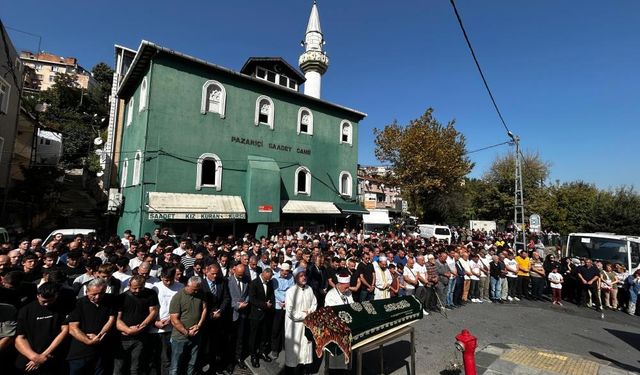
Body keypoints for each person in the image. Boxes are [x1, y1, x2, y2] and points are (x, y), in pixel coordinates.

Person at [14, 282, 69, 374]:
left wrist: (44, 355)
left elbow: (64, 331)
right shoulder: (25, 311)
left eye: (50, 301)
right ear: (38, 295)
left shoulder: (61, 308)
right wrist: (35, 357)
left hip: (53, 357)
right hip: (29, 358)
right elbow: (19, 338)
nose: (47, 304)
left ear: (56, 296)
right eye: (43, 301)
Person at [66, 278, 116, 375]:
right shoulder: (78, 304)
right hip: (80, 353)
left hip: (101, 352)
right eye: (93, 294)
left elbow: (111, 319)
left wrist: (99, 335)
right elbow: (72, 328)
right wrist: (88, 341)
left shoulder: (109, 300)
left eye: (101, 293)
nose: (97, 297)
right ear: (87, 291)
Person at [114, 275, 159, 375]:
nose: (137, 290)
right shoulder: (122, 298)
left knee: (136, 367)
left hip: (141, 337)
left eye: (140, 287)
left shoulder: (150, 294)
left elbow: (153, 311)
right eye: (134, 288)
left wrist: (141, 326)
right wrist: (128, 330)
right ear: (129, 285)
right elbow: (117, 319)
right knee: (119, 367)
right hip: (123, 338)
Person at [169, 276, 207, 375]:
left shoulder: (200, 293)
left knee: (192, 363)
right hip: (180, 337)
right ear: (187, 285)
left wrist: (198, 325)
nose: (195, 292)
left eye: (197, 290)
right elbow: (174, 319)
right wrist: (187, 332)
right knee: (175, 366)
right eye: (193, 289)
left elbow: (204, 309)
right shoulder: (178, 297)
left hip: (196, 335)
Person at [284, 269, 317, 375]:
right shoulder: (290, 292)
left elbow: (314, 304)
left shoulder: (309, 289)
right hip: (295, 328)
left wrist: (310, 312)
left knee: (305, 352)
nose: (304, 278)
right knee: (294, 354)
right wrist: (306, 315)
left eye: (304, 275)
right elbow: (291, 313)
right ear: (295, 278)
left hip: (307, 326)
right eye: (301, 276)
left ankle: (305, 370)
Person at [150, 268, 182, 375]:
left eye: (171, 280)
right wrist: (155, 322)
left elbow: (182, 307)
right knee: (155, 357)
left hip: (173, 327)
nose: (168, 283)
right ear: (161, 277)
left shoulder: (180, 287)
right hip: (156, 328)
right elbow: (150, 308)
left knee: (167, 358)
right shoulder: (155, 287)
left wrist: (172, 319)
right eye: (166, 280)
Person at [200, 262, 230, 373]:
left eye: (217, 274)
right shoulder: (201, 284)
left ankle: (214, 367)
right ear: (206, 271)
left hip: (218, 319)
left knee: (216, 344)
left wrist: (220, 311)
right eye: (212, 274)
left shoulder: (221, 283)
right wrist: (209, 314)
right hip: (205, 320)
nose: (215, 276)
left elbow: (226, 298)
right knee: (204, 345)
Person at [324, 272, 353, 371]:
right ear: (340, 285)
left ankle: (346, 368)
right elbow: (330, 313)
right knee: (336, 356)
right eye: (346, 287)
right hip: (335, 328)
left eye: (348, 287)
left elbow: (351, 305)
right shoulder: (331, 295)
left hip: (347, 327)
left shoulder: (348, 292)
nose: (348, 289)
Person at [248, 268, 275, 368]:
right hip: (256, 315)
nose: (268, 280)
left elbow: (271, 295)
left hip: (266, 314)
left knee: (264, 335)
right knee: (254, 336)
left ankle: (262, 352)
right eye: (267, 278)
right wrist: (264, 305)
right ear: (263, 274)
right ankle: (253, 355)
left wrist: (270, 304)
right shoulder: (254, 283)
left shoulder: (269, 282)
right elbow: (252, 299)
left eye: (270, 279)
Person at [226, 263, 250, 373]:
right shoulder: (228, 281)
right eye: (239, 275)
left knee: (240, 338)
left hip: (243, 314)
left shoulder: (246, 279)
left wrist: (246, 302)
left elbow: (248, 293)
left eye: (242, 274)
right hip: (232, 314)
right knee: (231, 339)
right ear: (234, 270)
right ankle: (230, 361)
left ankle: (239, 358)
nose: (241, 277)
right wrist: (236, 305)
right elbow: (227, 297)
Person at [271, 262, 293, 359]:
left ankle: (285, 346)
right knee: (276, 328)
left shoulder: (291, 277)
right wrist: (282, 300)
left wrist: (287, 301)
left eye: (288, 272)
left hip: (287, 304)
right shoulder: (274, 278)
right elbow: (275, 291)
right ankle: (275, 349)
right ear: (281, 270)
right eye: (285, 272)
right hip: (278, 304)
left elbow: (292, 290)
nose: (286, 274)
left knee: (286, 327)